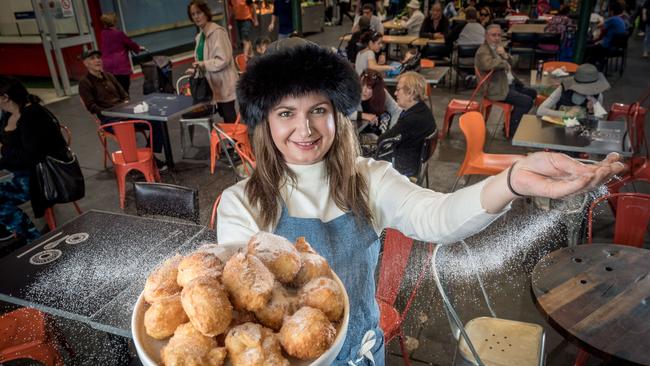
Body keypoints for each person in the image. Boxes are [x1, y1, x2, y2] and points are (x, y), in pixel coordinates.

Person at [218, 38, 624, 365]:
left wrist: (513, 180)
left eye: (318, 110)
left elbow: (439, 217)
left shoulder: (368, 179)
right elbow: (236, 311)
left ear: (337, 115)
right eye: (286, 113)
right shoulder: (241, 203)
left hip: (361, 356)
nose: (304, 128)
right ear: (265, 121)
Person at [0, 77, 69, 242]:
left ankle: (32, 239)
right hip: (24, 171)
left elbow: (30, 158)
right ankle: (13, 230)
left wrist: (3, 154)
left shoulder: (32, 115)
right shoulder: (9, 114)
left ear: (5, 97)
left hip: (44, 178)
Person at [79, 49, 167, 167]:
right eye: (92, 58)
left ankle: (149, 156)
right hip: (108, 119)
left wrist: (126, 105)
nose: (97, 60)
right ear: (85, 63)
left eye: (98, 57)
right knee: (125, 129)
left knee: (158, 121)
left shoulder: (109, 76)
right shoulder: (85, 83)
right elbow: (91, 106)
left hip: (125, 113)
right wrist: (108, 112)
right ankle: (139, 162)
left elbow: (124, 94)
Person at [475, 24, 537, 136]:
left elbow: (513, 63)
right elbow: (487, 64)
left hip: (507, 84)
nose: (497, 38)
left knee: (532, 93)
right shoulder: (483, 51)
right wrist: (504, 62)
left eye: (499, 35)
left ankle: (511, 120)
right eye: (493, 35)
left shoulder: (497, 48)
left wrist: (504, 55)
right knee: (526, 101)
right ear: (486, 36)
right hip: (496, 89)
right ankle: (511, 131)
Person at [186, 0, 239, 124]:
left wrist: (203, 64)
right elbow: (202, 60)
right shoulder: (200, 37)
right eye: (193, 14)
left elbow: (223, 59)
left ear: (206, 12)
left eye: (198, 13)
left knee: (229, 116)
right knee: (224, 116)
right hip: (212, 85)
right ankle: (229, 142)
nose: (196, 17)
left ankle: (236, 143)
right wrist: (196, 69)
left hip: (224, 83)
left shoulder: (217, 32)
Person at [377, 71, 436, 176]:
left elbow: (382, 141)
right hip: (415, 160)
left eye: (398, 89)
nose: (395, 93)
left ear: (411, 93)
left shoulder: (411, 120)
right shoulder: (422, 110)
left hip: (404, 166)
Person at [537, 63, 611, 119]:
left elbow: (594, 123)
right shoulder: (563, 89)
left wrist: (591, 112)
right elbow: (540, 111)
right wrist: (566, 114)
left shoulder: (598, 95)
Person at [99, 12, 144, 94]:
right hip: (119, 66)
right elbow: (130, 43)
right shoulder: (119, 34)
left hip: (107, 66)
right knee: (124, 89)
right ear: (115, 22)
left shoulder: (103, 34)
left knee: (114, 89)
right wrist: (138, 48)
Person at [354, 69, 402, 139]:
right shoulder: (353, 92)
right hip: (358, 132)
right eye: (362, 85)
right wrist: (363, 115)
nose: (364, 90)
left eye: (369, 87)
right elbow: (343, 113)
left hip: (378, 131)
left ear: (376, 89)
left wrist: (391, 133)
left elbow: (396, 111)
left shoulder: (382, 93)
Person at [586, 1, 628, 69]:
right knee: (592, 44)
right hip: (616, 46)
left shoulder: (613, 19)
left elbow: (600, 26)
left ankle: (590, 65)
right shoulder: (621, 19)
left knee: (586, 47)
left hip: (607, 46)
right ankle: (597, 61)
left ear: (611, 11)